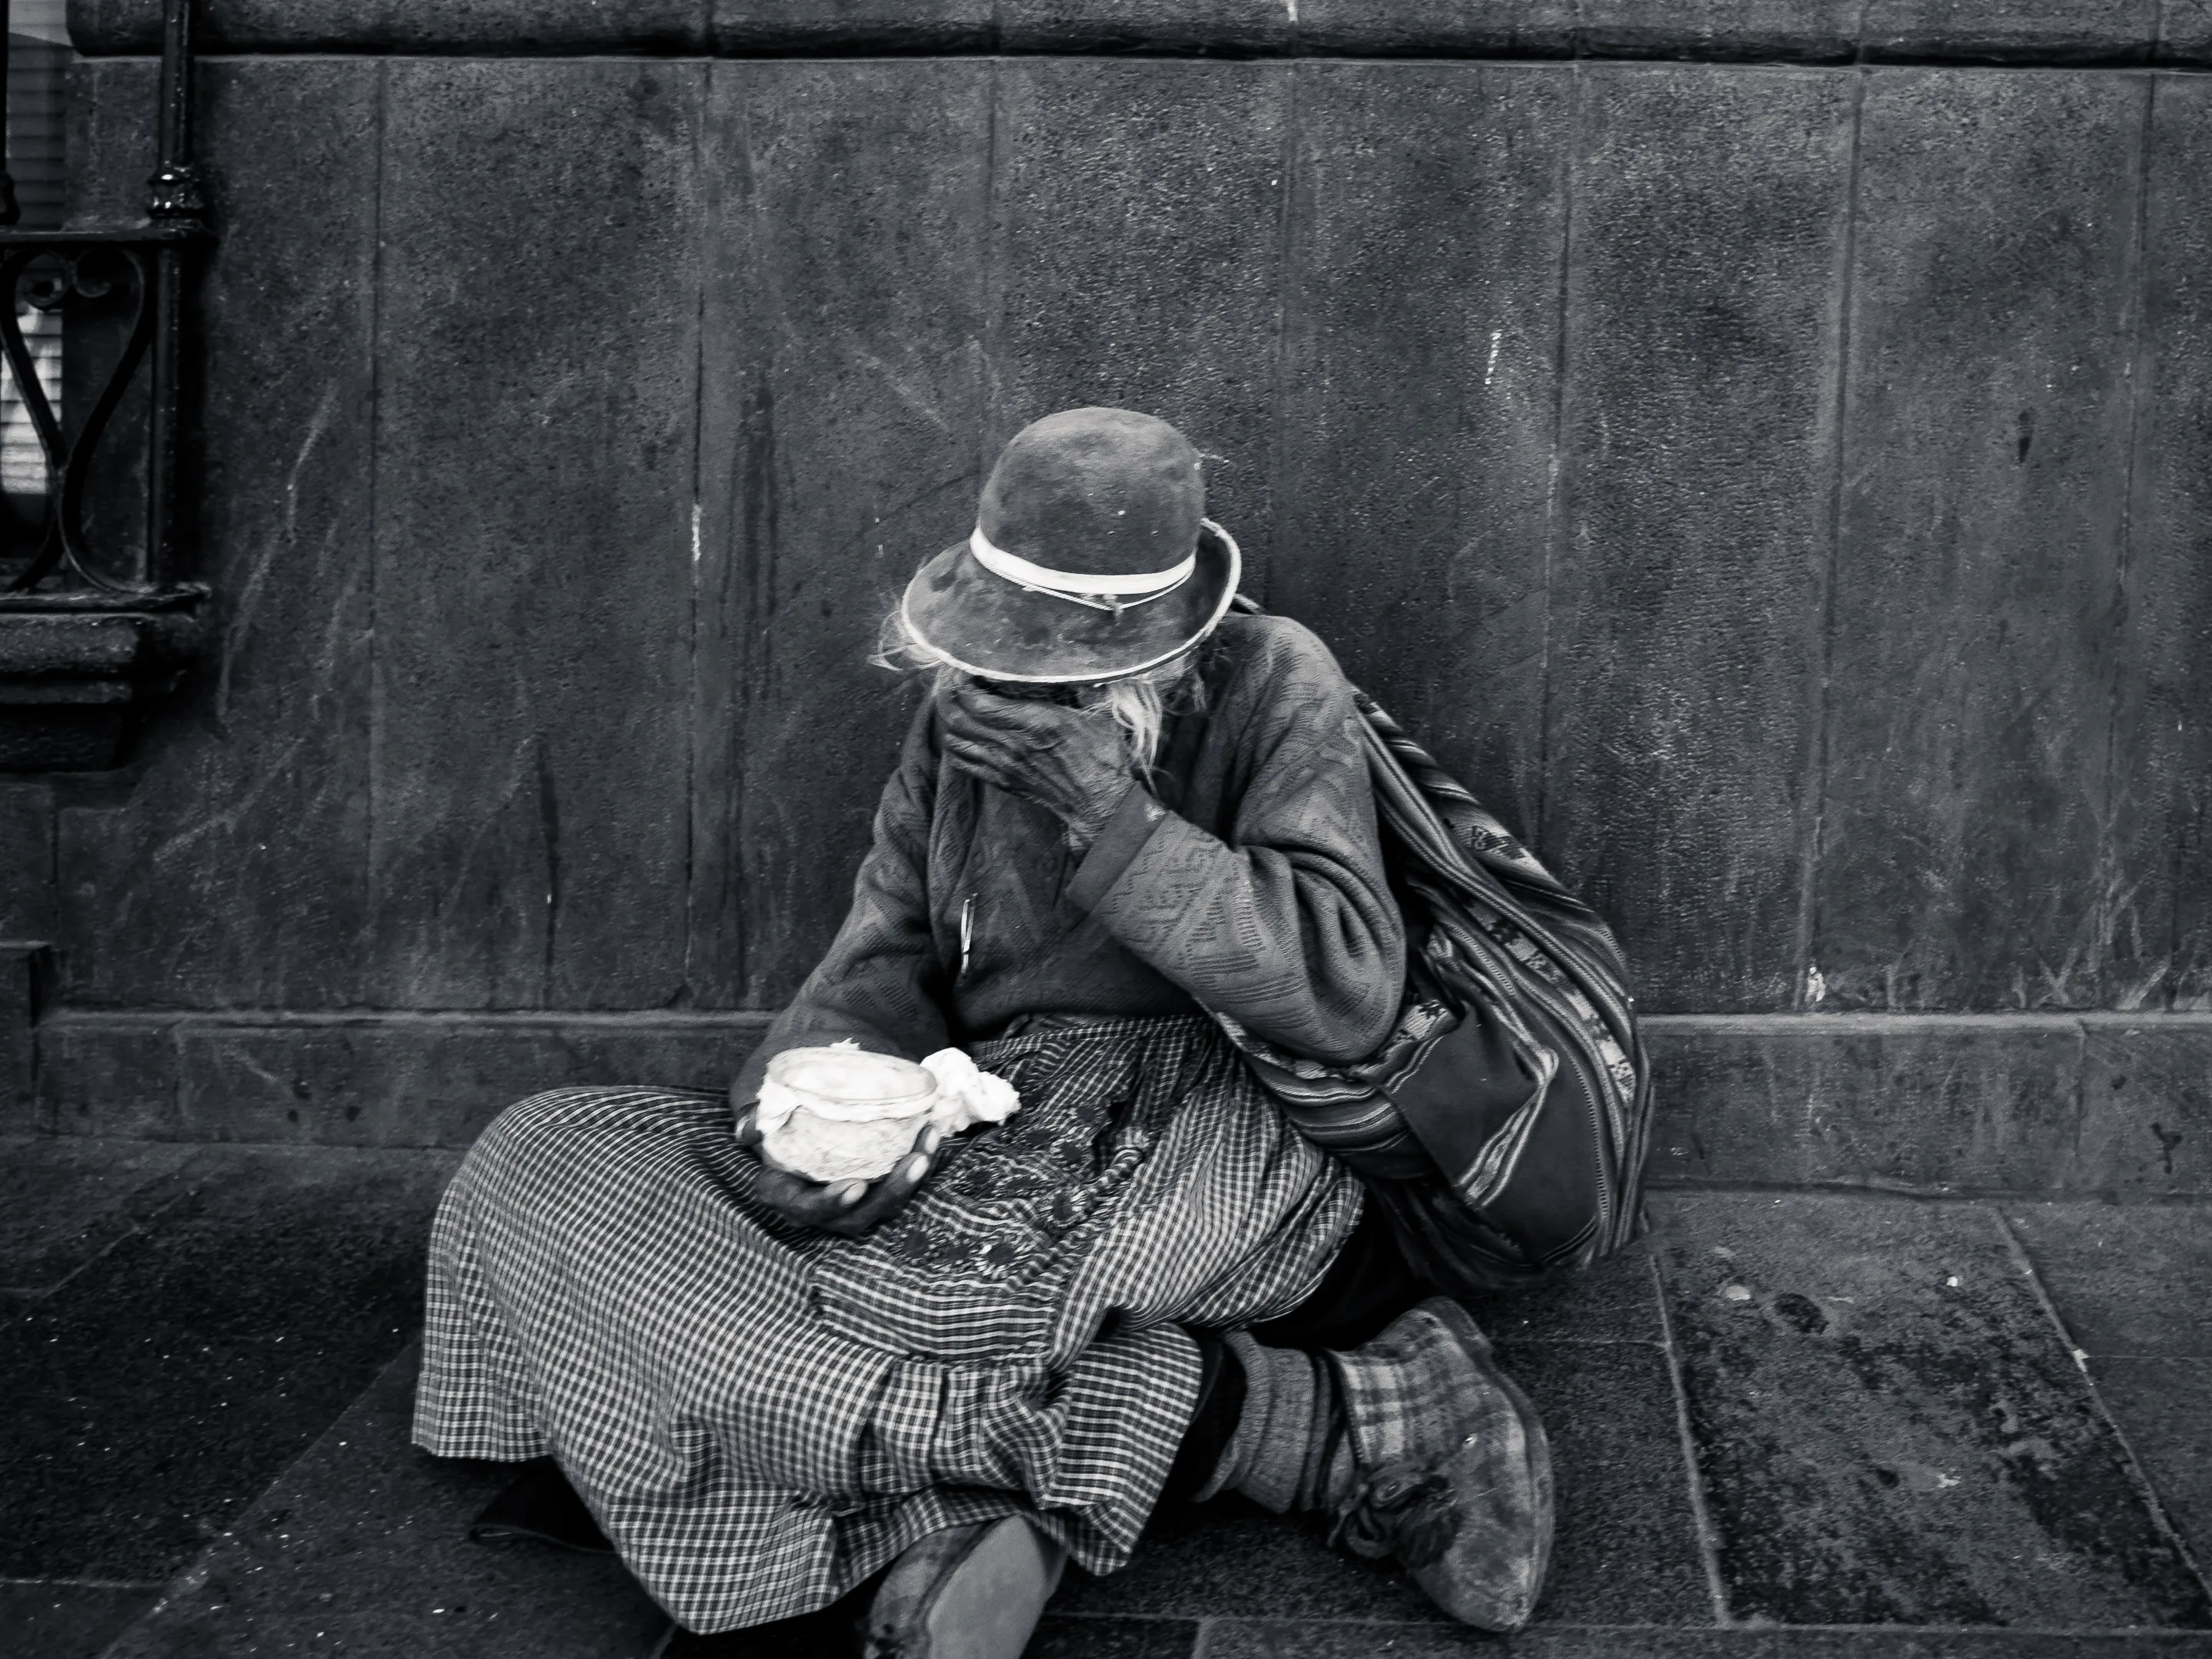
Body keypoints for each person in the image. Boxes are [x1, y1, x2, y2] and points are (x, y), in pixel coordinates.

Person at [413, 408, 1555, 1657]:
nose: (1009, 688)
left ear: (1164, 646)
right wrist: (809, 1119)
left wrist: (1108, 815)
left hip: (1197, 1113)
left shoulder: (1278, 678)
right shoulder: (953, 720)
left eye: (1055, 669)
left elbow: (1341, 988)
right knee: (532, 1161)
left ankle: (907, 1472)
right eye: (999, 653)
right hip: (984, 1102)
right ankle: (1282, 1426)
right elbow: (881, 956)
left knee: (918, 1308)